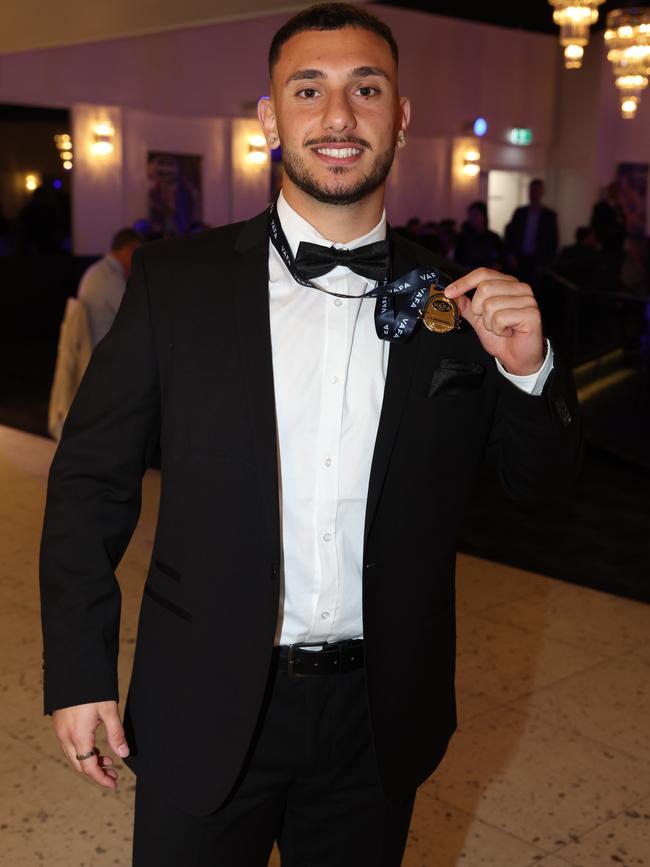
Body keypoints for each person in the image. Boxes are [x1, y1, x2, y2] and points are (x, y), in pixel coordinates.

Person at [39, 5, 582, 866]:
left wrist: (528, 368)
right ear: (269, 118)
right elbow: (87, 484)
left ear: (400, 117)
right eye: (309, 89)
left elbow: (542, 489)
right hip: (203, 697)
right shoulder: (176, 287)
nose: (338, 116)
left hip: (381, 714)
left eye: (366, 88)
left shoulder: (461, 308)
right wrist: (77, 672)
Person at [77, 228, 143, 346]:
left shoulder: (97, 270)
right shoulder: (110, 277)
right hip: (105, 352)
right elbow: (135, 316)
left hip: (95, 347)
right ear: (129, 250)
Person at [505, 178, 559, 284]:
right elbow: (510, 235)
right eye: (531, 190)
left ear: (541, 193)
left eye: (536, 190)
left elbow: (553, 241)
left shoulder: (549, 216)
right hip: (519, 258)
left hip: (538, 261)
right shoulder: (520, 212)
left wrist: (546, 263)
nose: (533, 193)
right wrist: (511, 255)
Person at [590, 181, 626, 283]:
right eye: (613, 191)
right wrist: (597, 242)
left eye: (617, 191)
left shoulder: (619, 208)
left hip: (617, 248)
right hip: (604, 245)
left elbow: (623, 226)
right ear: (609, 192)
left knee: (615, 275)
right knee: (603, 274)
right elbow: (594, 225)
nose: (616, 193)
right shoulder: (600, 207)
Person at [455, 200, 505, 271]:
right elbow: (458, 260)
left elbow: (499, 260)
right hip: (468, 273)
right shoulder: (463, 238)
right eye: (470, 215)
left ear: (484, 216)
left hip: (489, 274)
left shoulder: (493, 237)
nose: (472, 218)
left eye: (475, 215)